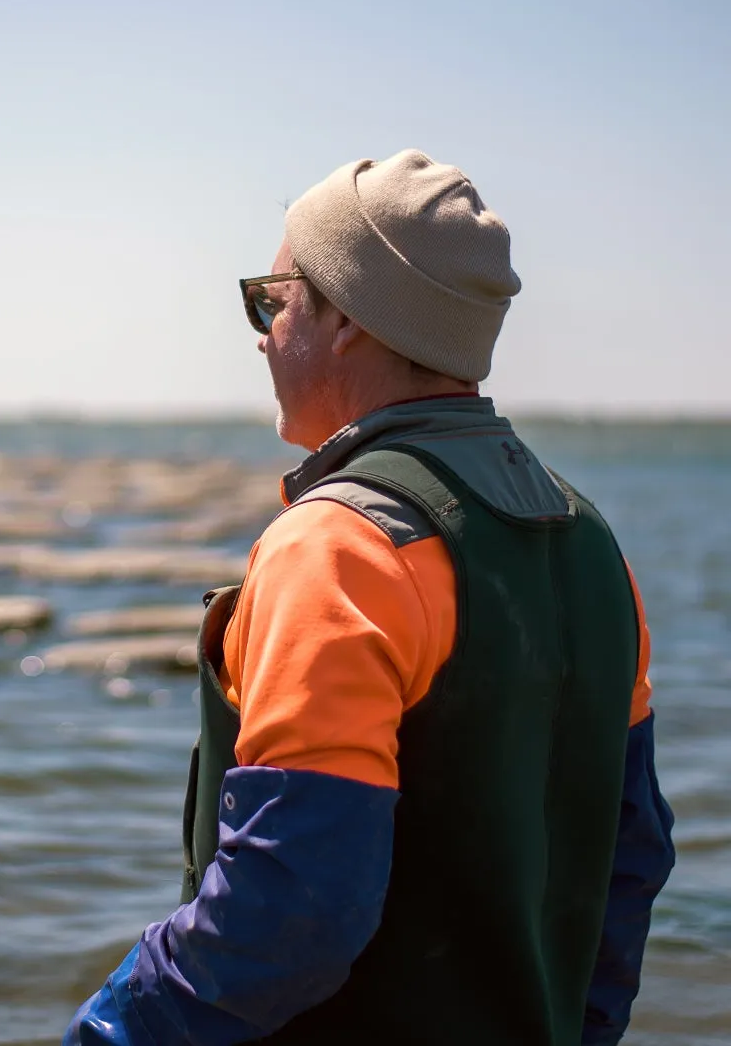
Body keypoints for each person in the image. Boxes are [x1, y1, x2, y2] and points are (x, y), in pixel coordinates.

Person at [64, 150, 675, 1046]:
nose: (263, 332)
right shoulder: (590, 543)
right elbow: (633, 856)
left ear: (347, 317)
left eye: (275, 298)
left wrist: (110, 1029)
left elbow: (290, 912)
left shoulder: (339, 548)